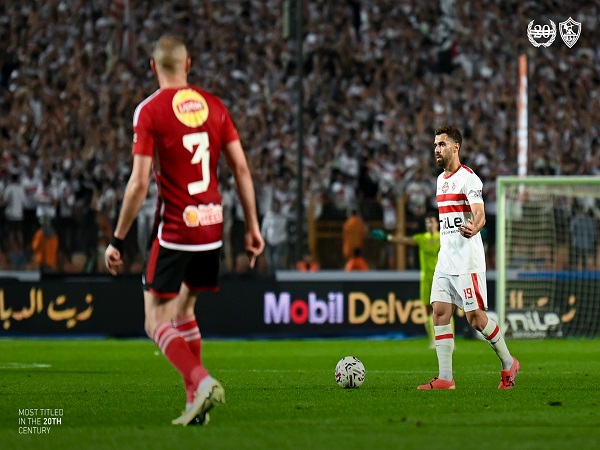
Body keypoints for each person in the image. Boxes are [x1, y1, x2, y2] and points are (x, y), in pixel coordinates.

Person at [104, 34, 264, 425]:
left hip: (176, 228)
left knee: (155, 321)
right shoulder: (215, 106)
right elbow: (242, 169)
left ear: (153, 67)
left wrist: (117, 239)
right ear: (188, 64)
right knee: (185, 310)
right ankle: (195, 404)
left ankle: (202, 380)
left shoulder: (149, 111)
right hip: (212, 227)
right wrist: (252, 227)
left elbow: (139, 183)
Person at [417, 125, 519, 390]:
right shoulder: (440, 181)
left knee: (475, 319)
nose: (437, 149)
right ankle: (445, 378)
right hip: (445, 259)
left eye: (442, 144)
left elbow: (480, 214)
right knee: (439, 312)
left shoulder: (469, 179)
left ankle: (509, 363)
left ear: (456, 147)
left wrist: (476, 226)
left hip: (467, 261)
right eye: (435, 145)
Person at [372, 210, 441, 348]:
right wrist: (387, 237)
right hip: (426, 279)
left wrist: (474, 235)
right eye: (427, 222)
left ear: (437, 224)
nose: (429, 224)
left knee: (444, 309)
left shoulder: (444, 238)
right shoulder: (422, 238)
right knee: (427, 310)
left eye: (431, 221)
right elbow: (404, 240)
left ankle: (448, 339)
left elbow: (458, 240)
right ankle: (433, 340)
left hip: (441, 278)